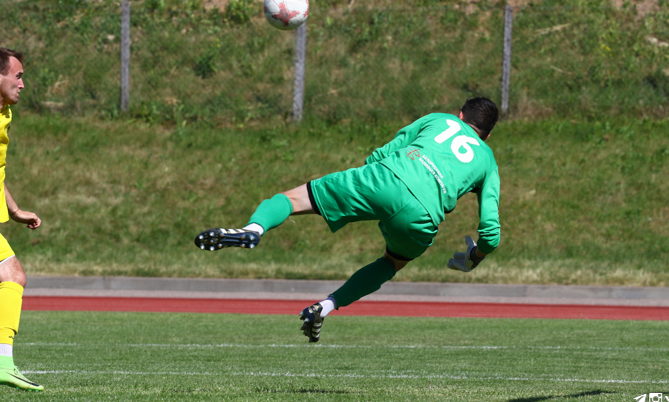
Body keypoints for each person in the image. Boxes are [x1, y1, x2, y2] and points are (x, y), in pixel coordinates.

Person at [195, 97, 501, 343]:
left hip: (385, 178)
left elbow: (387, 150)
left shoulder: (440, 119)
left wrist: (368, 180)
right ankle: (325, 306)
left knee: (292, 200)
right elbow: (491, 233)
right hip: (423, 213)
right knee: (391, 263)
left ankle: (253, 229)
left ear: (460, 115)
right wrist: (474, 257)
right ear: (487, 135)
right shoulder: (487, 160)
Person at [0, 48, 43, 391]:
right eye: (18, 76)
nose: (23, 84)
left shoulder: (5, 113)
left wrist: (14, 210)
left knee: (12, 276)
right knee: (12, 276)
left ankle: (3, 363)